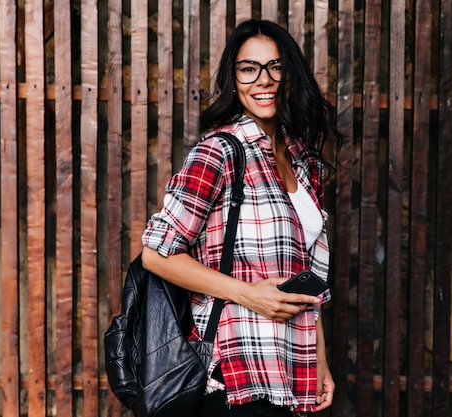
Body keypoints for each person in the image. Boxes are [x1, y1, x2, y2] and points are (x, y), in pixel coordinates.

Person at [141, 19, 343, 416]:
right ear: (234, 79)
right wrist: (249, 294)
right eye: (249, 69)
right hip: (236, 373)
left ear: (290, 76)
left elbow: (307, 278)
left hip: (294, 371)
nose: (263, 80)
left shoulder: (304, 162)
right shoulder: (219, 152)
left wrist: (320, 362)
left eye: (275, 67)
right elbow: (156, 253)